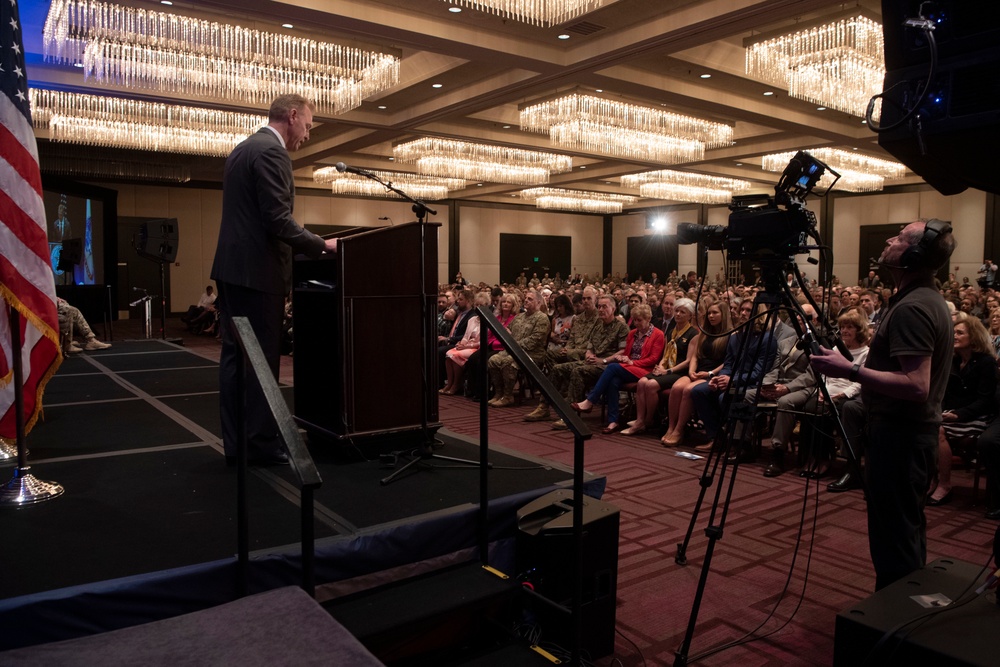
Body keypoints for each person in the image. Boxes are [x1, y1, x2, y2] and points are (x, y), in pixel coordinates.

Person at [811, 219, 956, 591]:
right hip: (903, 434)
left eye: (900, 238)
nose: (890, 240)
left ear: (915, 254)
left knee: (895, 540)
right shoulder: (920, 299)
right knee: (904, 531)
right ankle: (903, 614)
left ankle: (893, 622)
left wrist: (851, 370)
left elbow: (916, 385)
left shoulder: (913, 308)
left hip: (901, 437)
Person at [211, 94, 337, 466]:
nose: (308, 135)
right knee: (261, 362)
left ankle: (239, 445)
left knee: (236, 360)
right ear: (293, 116)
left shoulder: (243, 149)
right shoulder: (272, 152)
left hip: (234, 271)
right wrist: (320, 245)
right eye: (309, 126)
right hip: (257, 273)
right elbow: (277, 219)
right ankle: (262, 444)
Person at [926, 313, 997, 505]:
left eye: (960, 333)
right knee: (926, 425)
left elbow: (985, 401)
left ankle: (944, 484)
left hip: (977, 416)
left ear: (973, 336)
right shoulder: (953, 361)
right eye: (954, 332)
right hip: (953, 412)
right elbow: (944, 393)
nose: (954, 336)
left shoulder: (986, 362)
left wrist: (958, 415)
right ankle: (932, 479)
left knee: (937, 430)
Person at [570, 304, 664, 434]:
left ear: (648, 319)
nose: (636, 323)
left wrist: (632, 362)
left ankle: (590, 400)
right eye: (634, 320)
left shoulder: (658, 335)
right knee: (613, 381)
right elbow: (627, 352)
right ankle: (613, 421)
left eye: (639, 320)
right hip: (630, 367)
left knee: (612, 367)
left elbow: (653, 359)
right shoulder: (632, 334)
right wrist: (625, 359)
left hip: (646, 370)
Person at [622, 298, 697, 436]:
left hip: (680, 372)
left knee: (650, 385)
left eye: (683, 312)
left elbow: (688, 361)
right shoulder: (671, 331)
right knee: (642, 382)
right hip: (667, 368)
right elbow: (666, 355)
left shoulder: (693, 333)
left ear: (690, 315)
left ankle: (648, 420)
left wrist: (667, 371)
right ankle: (640, 419)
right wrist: (660, 367)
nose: (678, 314)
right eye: (677, 311)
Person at [661, 302, 731, 446]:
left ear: (724, 315)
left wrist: (709, 373)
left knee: (688, 390)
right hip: (698, 371)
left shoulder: (731, 334)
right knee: (676, 388)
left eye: (715, 313)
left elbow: (728, 362)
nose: (711, 316)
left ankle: (679, 430)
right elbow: (695, 356)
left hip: (713, 374)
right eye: (709, 313)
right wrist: (692, 371)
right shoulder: (704, 332)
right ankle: (671, 427)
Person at [487, 290, 550, 407]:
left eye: (530, 299)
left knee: (507, 362)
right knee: (493, 360)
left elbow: (534, 340)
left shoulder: (542, 318)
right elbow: (506, 331)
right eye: (526, 298)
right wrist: (508, 337)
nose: (526, 300)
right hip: (514, 351)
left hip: (532, 353)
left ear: (539, 302)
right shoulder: (519, 317)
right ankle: (498, 393)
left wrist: (514, 345)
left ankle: (508, 396)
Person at [440, 291, 491, 396]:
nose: (479, 307)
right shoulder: (472, 319)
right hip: (467, 345)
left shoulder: (489, 321)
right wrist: (461, 344)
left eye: (481, 305)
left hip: (477, 347)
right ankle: (450, 383)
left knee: (454, 355)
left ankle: (456, 384)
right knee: (449, 354)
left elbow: (483, 341)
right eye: (477, 305)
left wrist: (467, 346)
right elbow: (466, 336)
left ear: (486, 306)